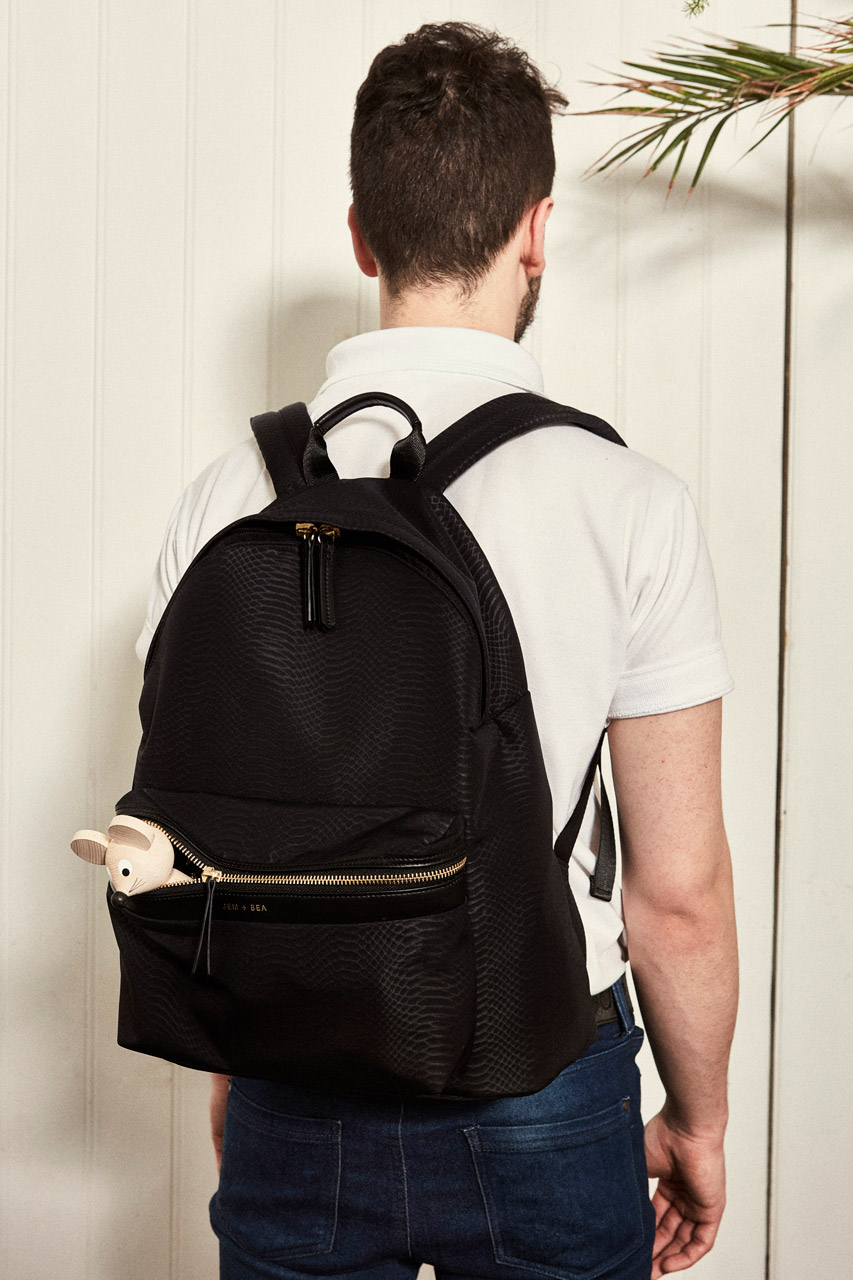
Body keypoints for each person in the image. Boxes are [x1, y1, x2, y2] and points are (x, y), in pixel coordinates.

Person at [136, 22, 738, 1280]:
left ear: (363, 234)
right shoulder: (628, 503)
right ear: (536, 228)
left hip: (295, 1084)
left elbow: (210, 823)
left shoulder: (224, 499)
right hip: (543, 1082)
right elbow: (675, 891)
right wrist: (698, 1119)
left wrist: (245, 1062)